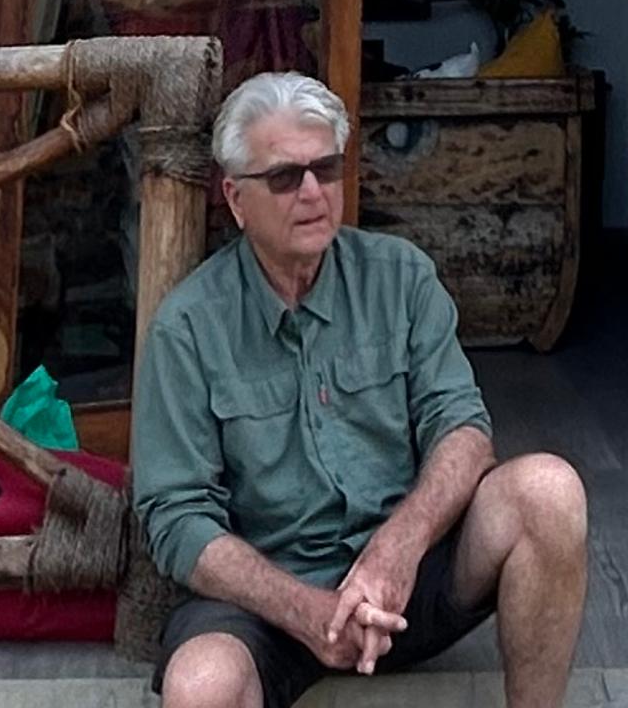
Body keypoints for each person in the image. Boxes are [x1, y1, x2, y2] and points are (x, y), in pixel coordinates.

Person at [130, 70, 590, 708]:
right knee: (200, 686)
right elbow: (176, 518)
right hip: (269, 604)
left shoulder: (401, 278)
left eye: (326, 168)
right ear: (236, 199)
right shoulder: (187, 327)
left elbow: (462, 430)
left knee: (548, 490)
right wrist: (304, 609)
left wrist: (395, 551)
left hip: (408, 578)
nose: (312, 192)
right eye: (285, 177)